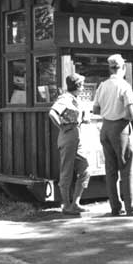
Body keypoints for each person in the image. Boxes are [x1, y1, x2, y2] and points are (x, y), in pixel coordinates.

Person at [93, 54, 133, 216]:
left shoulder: (102, 86)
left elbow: (96, 109)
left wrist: (108, 110)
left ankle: (115, 207)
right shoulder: (124, 86)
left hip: (105, 127)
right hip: (120, 127)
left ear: (110, 68)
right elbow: (131, 114)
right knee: (128, 167)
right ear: (123, 68)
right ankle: (132, 206)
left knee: (110, 169)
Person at [49, 73, 91, 215]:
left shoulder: (75, 99)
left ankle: (75, 203)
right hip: (68, 135)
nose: (83, 87)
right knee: (66, 171)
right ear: (77, 86)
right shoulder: (65, 98)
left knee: (85, 169)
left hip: (76, 135)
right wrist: (61, 126)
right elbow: (53, 113)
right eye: (82, 85)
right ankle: (66, 205)